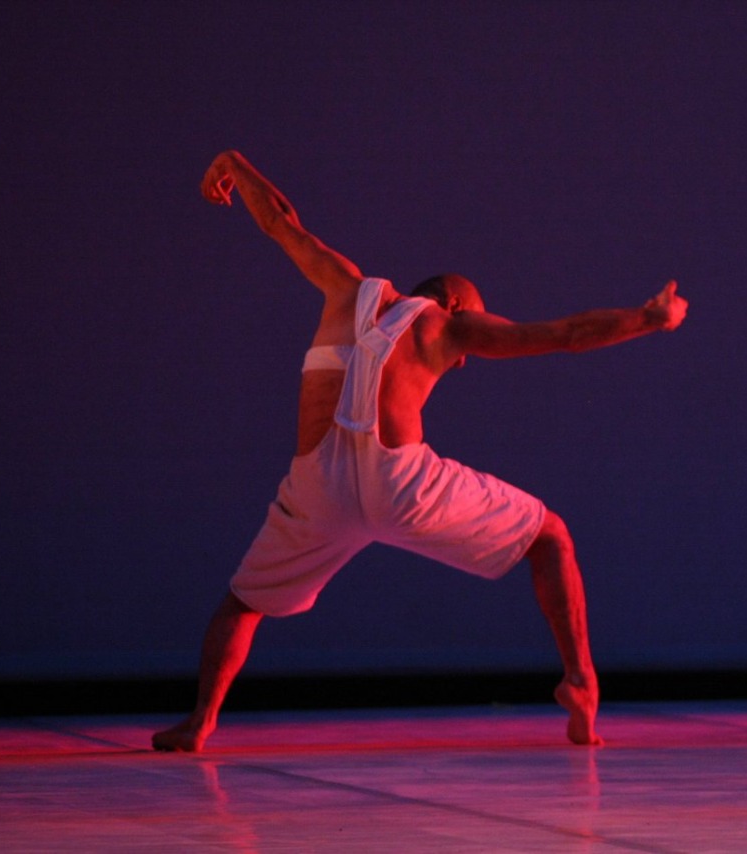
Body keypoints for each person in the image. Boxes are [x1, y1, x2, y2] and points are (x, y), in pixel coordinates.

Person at [152, 150, 688, 752]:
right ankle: (581, 682)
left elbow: (282, 223)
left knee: (244, 602)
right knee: (551, 537)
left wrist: (234, 164)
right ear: (456, 303)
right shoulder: (449, 326)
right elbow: (565, 335)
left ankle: (200, 722)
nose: (462, 363)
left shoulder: (345, 288)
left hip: (317, 487)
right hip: (399, 482)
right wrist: (650, 318)